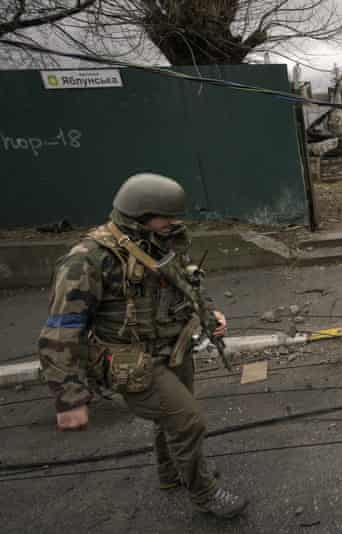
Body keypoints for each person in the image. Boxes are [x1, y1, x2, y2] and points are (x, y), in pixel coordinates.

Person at [37, 173, 248, 519]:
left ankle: (172, 475)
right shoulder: (89, 258)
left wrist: (209, 314)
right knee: (188, 421)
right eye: (168, 216)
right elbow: (60, 333)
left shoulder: (161, 240)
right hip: (130, 361)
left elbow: (186, 284)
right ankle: (204, 493)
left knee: (172, 419)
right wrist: (68, 397)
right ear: (142, 215)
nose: (175, 222)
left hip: (173, 347)